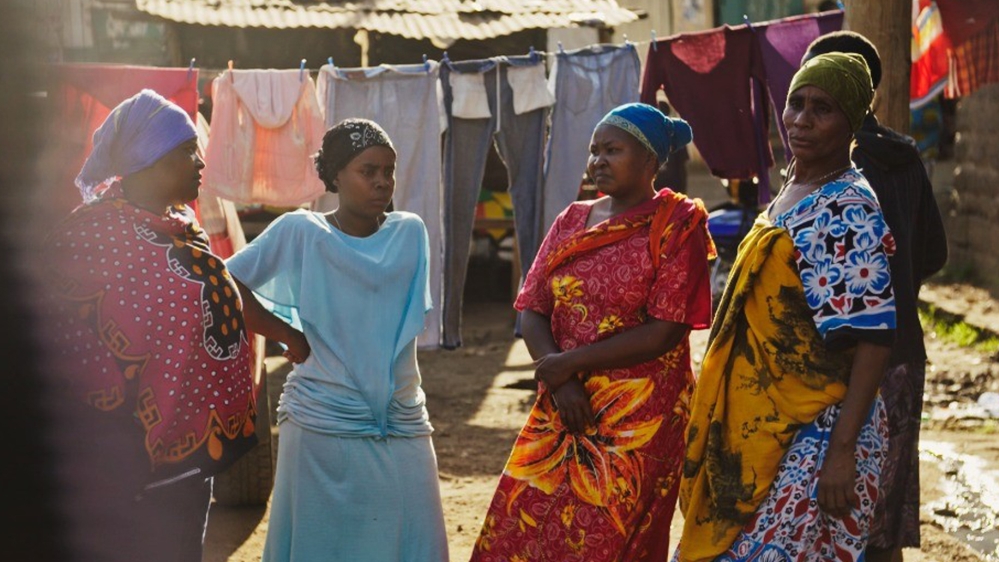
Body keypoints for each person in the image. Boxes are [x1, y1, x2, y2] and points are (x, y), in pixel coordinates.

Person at [470, 102, 714, 562]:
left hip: (640, 416)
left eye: (612, 150)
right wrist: (561, 381)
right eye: (594, 150)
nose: (598, 160)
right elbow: (532, 309)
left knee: (605, 538)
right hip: (564, 401)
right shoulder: (572, 219)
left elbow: (665, 331)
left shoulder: (677, 226)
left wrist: (568, 365)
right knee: (519, 522)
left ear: (649, 160)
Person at [675, 53, 895, 562]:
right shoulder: (792, 189)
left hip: (818, 431)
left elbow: (874, 337)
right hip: (763, 426)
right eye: (796, 103)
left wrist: (841, 452)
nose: (801, 119)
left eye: (823, 109)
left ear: (852, 123)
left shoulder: (845, 207)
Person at [42, 89, 258, 562]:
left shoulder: (181, 224)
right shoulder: (88, 237)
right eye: (186, 151)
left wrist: (286, 333)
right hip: (118, 476)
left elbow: (222, 294)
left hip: (187, 466)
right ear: (149, 159)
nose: (201, 161)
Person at [224, 118, 448, 562]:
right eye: (369, 171)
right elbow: (225, 283)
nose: (383, 182)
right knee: (321, 546)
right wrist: (286, 334)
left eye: (389, 170)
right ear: (335, 176)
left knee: (413, 541)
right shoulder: (301, 232)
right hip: (320, 419)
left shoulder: (409, 233)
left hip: (401, 418)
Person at [803, 31, 948, 562]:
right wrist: (897, 288)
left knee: (825, 519)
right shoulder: (904, 158)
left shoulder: (832, 171)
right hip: (902, 353)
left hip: (833, 364)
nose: (802, 115)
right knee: (880, 522)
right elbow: (933, 251)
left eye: (817, 100)